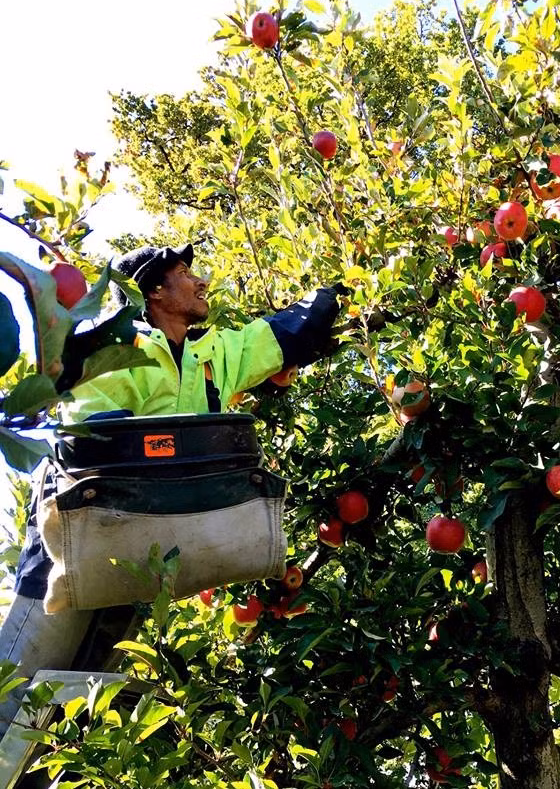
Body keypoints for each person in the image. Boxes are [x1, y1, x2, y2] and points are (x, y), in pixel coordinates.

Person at [0, 243, 343, 733]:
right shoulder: (119, 349)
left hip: (144, 552)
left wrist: (330, 301)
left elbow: (277, 338)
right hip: (81, 536)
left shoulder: (213, 355)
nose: (201, 281)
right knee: (20, 678)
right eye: (186, 273)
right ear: (155, 290)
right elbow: (94, 433)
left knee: (68, 711)